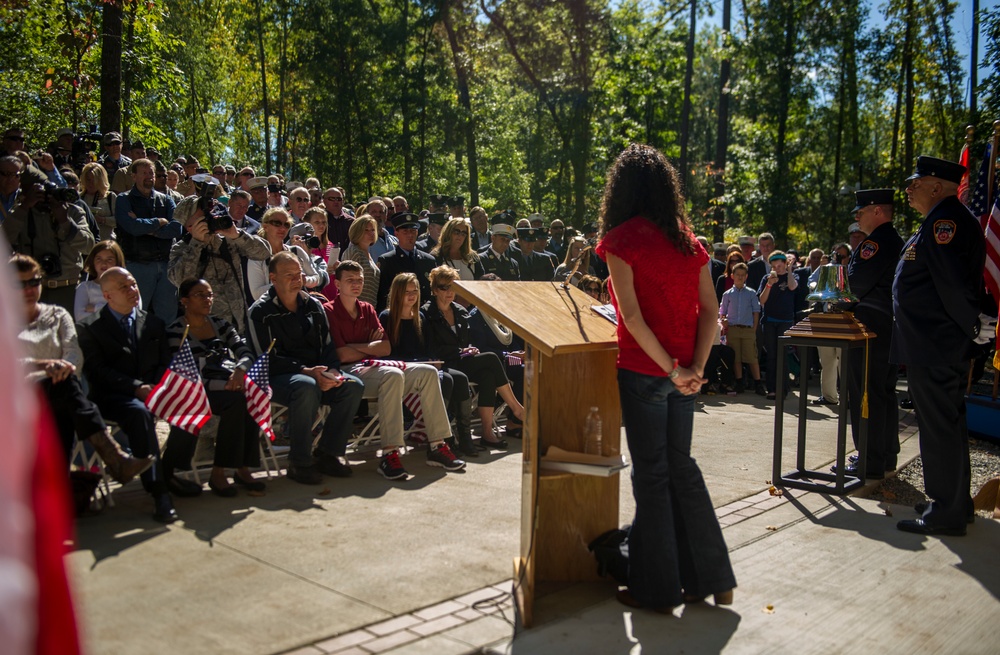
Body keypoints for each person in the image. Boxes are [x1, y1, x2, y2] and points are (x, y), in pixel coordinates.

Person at [595, 143, 735, 612]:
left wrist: (674, 370)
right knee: (682, 469)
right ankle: (710, 578)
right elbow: (712, 311)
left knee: (653, 477)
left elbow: (631, 319)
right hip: (683, 373)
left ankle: (654, 588)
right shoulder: (687, 241)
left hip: (645, 371)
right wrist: (694, 369)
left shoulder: (620, 240)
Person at [893, 156, 986, 536]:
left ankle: (945, 510)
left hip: (935, 342)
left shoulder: (945, 222)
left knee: (938, 427)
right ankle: (954, 503)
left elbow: (950, 285)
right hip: (933, 342)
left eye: (917, 182)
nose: (909, 188)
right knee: (946, 423)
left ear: (937, 186)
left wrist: (973, 326)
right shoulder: (936, 222)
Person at [12, 254, 153, 484]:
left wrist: (63, 367)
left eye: (34, 282)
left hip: (59, 392)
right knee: (66, 393)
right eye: (21, 284)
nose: (29, 289)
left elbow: (73, 352)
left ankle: (60, 486)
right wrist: (44, 366)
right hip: (19, 397)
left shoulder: (56, 315)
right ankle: (114, 457)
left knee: (64, 393)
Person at [326, 261, 465, 478]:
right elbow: (341, 355)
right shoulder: (329, 310)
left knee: (429, 373)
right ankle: (390, 453)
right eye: (350, 280)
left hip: (376, 366)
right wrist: (369, 349)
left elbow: (385, 347)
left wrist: (357, 348)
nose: (356, 284)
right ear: (337, 284)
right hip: (348, 372)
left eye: (360, 280)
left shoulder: (368, 309)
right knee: (392, 374)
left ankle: (437, 445)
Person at [76, 266, 184, 522]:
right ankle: (159, 491)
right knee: (139, 412)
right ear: (108, 295)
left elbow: (164, 363)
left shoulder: (154, 323)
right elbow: (98, 372)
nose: (133, 290)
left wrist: (157, 387)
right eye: (124, 287)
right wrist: (137, 388)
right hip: (113, 398)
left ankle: (170, 471)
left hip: (153, 392)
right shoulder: (90, 328)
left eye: (133, 284)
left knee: (191, 404)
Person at [247, 251, 365, 485]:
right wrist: (306, 371)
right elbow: (265, 357)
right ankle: (299, 462)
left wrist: (332, 372)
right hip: (277, 377)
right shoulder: (260, 312)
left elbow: (328, 347)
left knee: (352, 386)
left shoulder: (313, 305)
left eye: (299, 273)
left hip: (315, 373)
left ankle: (328, 453)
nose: (296, 278)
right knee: (306, 387)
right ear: (273, 278)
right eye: (288, 275)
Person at [162, 279, 265, 497]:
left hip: (226, 383)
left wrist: (240, 370)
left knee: (253, 395)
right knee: (237, 400)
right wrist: (227, 385)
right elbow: (185, 375)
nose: (207, 299)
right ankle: (220, 473)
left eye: (209, 295)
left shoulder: (220, 324)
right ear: (184, 301)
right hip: (194, 390)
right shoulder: (175, 331)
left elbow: (245, 352)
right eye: (200, 295)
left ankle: (240, 467)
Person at [831, 189, 904, 480]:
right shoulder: (895, 240)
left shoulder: (876, 243)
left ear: (878, 211)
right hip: (884, 327)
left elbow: (855, 286)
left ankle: (868, 460)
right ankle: (884, 454)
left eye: (862, 210)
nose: (857, 216)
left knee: (865, 392)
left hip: (867, 328)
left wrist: (832, 304)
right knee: (882, 392)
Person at [423, 265, 525, 449]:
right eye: (444, 287)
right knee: (491, 360)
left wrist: (470, 349)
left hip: (462, 361)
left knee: (489, 374)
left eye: (453, 287)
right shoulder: (427, 314)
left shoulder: (460, 312)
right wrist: (460, 351)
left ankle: (487, 432)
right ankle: (516, 409)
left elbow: (467, 342)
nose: (449, 292)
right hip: (444, 364)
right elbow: (432, 349)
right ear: (435, 289)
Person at [379, 272, 480, 458]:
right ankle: (442, 437)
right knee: (447, 380)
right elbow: (388, 352)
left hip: (424, 365)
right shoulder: (387, 317)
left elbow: (428, 349)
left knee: (459, 378)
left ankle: (463, 436)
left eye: (415, 291)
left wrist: (433, 360)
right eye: (406, 291)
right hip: (401, 368)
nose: (411, 295)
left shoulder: (420, 318)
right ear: (397, 293)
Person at [168, 196, 272, 334]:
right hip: (204, 328)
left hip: (238, 323)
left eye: (209, 213)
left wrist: (237, 235)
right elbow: (179, 280)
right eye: (202, 215)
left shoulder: (226, 240)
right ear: (189, 225)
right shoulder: (181, 248)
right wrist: (196, 243)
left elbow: (264, 253)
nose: (208, 217)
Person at [3, 166, 95, 313]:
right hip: (33, 289)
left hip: (68, 289)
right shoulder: (21, 213)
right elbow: (4, 241)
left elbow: (88, 245)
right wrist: (25, 206)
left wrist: (64, 221)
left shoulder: (72, 211)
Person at [114, 158, 181, 323]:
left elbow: (176, 228)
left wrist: (148, 230)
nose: (149, 176)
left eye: (151, 172)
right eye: (144, 173)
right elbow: (132, 227)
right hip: (137, 265)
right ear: (134, 176)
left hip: (166, 266)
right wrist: (158, 222)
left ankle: (168, 348)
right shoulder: (124, 199)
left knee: (168, 319)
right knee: (135, 315)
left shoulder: (166, 199)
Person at [247, 207, 326, 301]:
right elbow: (256, 294)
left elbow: (316, 277)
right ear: (265, 226)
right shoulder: (257, 257)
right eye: (277, 223)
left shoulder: (297, 251)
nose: (282, 228)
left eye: (287, 224)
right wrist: (288, 281)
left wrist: (305, 280)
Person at [719, 262, 765, 395]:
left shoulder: (751, 293)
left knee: (752, 357)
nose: (740, 277)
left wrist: (754, 328)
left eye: (742, 275)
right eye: (737, 275)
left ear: (746, 277)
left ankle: (758, 383)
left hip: (747, 329)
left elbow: (756, 311)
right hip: (733, 329)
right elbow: (722, 311)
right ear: (732, 276)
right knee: (736, 358)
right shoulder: (727, 294)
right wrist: (724, 320)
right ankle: (739, 382)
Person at [376, 211, 437, 311]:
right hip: (398, 314)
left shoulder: (429, 260)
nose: (410, 235)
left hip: (424, 315)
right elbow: (383, 296)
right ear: (396, 233)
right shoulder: (387, 260)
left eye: (413, 231)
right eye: (405, 232)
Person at [757, 250, 797, 399]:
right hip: (769, 321)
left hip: (785, 321)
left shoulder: (791, 276)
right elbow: (762, 301)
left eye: (780, 265)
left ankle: (783, 388)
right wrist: (769, 284)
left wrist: (789, 271)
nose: (777, 268)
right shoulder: (767, 278)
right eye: (774, 265)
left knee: (783, 355)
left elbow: (793, 287)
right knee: (771, 356)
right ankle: (772, 389)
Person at [74, 240, 128, 322]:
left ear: (117, 261)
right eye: (99, 259)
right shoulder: (84, 287)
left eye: (109, 259)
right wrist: (116, 312)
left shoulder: (128, 286)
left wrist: (95, 307)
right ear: (93, 261)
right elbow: (80, 317)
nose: (104, 264)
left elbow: (131, 313)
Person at [431, 217, 485, 281]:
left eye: (463, 233)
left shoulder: (473, 257)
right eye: (456, 232)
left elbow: (481, 280)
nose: (460, 236)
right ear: (448, 232)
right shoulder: (436, 256)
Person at [79, 162, 117, 241]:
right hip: (85, 243)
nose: (91, 183)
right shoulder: (79, 198)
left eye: (94, 180)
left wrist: (102, 220)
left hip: (105, 242)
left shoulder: (110, 197)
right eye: (88, 180)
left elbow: (119, 221)